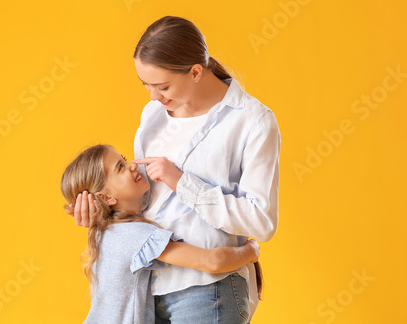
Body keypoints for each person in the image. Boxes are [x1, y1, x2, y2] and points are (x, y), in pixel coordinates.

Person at [70, 16, 280, 323]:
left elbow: (261, 221)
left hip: (206, 291)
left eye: (162, 85)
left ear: (196, 71)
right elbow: (139, 202)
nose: (153, 97)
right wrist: (100, 212)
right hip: (145, 290)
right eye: (146, 85)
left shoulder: (252, 121)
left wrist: (181, 182)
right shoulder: (153, 115)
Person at [61, 144, 260, 324]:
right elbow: (211, 262)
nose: (132, 166)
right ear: (106, 198)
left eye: (124, 158)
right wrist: (250, 251)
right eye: (120, 167)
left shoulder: (104, 234)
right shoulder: (133, 235)